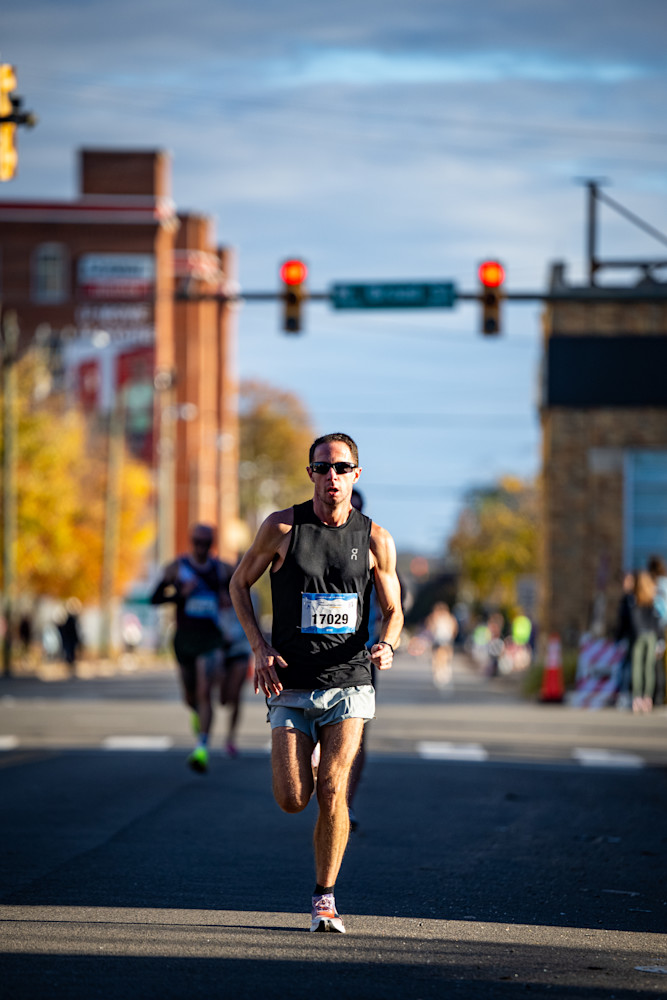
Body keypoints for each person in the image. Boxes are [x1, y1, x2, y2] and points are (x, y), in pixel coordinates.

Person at [230, 432, 403, 934]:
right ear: (310, 474)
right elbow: (239, 584)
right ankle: (302, 754)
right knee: (292, 798)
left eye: (342, 468)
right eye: (323, 468)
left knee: (333, 787)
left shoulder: (375, 539)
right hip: (290, 684)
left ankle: (324, 898)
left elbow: (393, 609)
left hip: (350, 681)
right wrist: (259, 647)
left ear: (357, 474)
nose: (333, 477)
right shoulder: (282, 527)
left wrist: (387, 645)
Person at [150, 524, 232, 772]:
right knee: (190, 696)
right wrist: (179, 595)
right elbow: (154, 599)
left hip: (210, 638)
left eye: (206, 543)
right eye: (197, 541)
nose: (200, 547)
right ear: (191, 541)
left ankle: (202, 749)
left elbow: (241, 586)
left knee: (205, 691)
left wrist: (228, 598)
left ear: (212, 544)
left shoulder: (222, 569)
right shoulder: (177, 568)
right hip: (185, 638)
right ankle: (196, 712)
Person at [630, 570, 661, 713]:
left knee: (637, 668)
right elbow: (657, 621)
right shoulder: (651, 598)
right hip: (651, 636)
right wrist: (660, 639)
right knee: (649, 668)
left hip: (639, 635)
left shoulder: (635, 598)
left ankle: (637, 698)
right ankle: (647, 699)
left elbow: (632, 619)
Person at [647, 554, 667, 706]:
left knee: (656, 662)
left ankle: (659, 696)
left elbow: (654, 607)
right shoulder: (665, 583)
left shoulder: (652, 585)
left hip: (658, 626)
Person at [425, 602, 458, 689]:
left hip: (444, 638)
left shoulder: (448, 618)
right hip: (440, 639)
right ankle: (440, 672)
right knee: (439, 656)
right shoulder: (437, 617)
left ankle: (443, 671)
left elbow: (454, 628)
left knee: (443, 655)